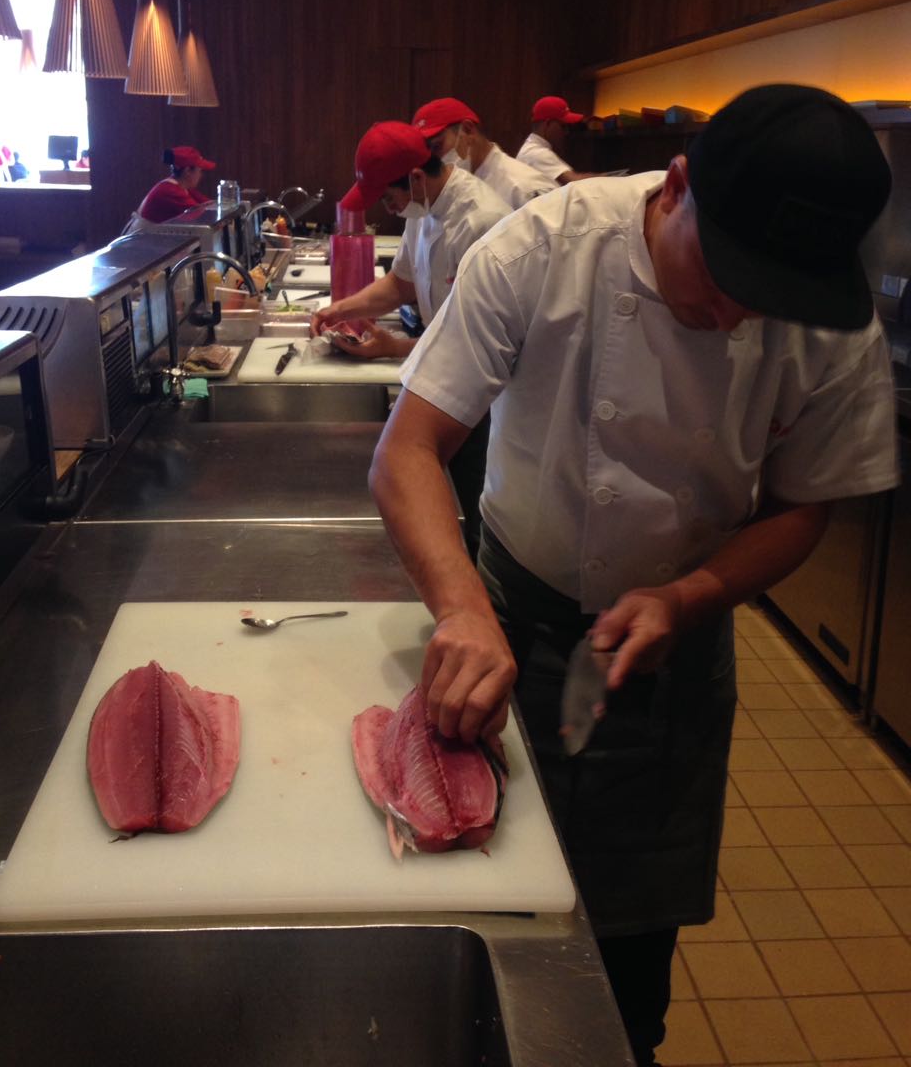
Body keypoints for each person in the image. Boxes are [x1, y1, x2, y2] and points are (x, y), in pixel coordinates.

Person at [367, 84, 898, 1065]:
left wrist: (691, 594)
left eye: (768, 293)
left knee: (628, 961)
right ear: (679, 185)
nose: (738, 309)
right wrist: (463, 608)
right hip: (512, 620)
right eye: (728, 270)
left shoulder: (832, 320)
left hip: (674, 647)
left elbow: (804, 502)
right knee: (484, 906)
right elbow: (409, 449)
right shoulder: (547, 247)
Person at [311, 120, 513, 559]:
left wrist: (390, 347)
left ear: (417, 177)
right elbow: (401, 285)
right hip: (447, 382)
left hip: (484, 402)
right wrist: (338, 310)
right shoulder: (422, 210)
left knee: (477, 517)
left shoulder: (482, 221)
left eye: (389, 196)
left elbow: (477, 342)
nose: (388, 207)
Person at [411, 96, 556, 209]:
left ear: (468, 130)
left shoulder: (524, 189)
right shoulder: (439, 192)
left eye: (437, 146)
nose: (433, 161)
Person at [516, 95, 597, 184]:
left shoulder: (532, 148)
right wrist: (609, 178)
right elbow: (575, 182)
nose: (566, 132)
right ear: (548, 124)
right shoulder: (536, 153)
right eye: (563, 126)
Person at [137, 145, 215, 224]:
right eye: (200, 171)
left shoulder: (182, 187)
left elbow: (211, 205)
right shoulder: (170, 191)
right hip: (143, 235)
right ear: (187, 171)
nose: (201, 175)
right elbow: (203, 217)